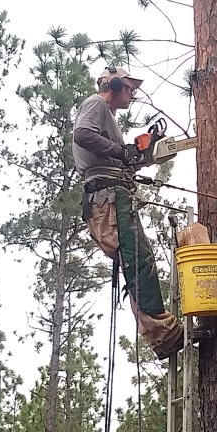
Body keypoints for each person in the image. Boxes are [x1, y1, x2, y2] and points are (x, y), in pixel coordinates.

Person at [72, 66, 184, 359]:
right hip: (108, 198)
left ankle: (160, 332)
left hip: (110, 195)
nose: (132, 94)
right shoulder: (96, 104)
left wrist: (138, 153)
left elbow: (116, 155)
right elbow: (83, 134)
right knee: (138, 260)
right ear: (115, 84)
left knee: (136, 260)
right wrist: (122, 152)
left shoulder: (108, 120)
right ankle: (162, 332)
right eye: (129, 88)